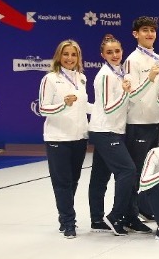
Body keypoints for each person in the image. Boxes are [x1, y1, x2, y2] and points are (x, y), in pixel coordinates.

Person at [38, 39, 90, 238]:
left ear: (78, 58)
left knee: (73, 181)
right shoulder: (50, 79)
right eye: (66, 54)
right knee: (62, 182)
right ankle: (68, 221)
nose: (69, 58)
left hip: (79, 137)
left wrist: (105, 111)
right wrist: (62, 105)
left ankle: (65, 217)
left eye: (73, 54)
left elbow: (84, 107)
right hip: (57, 137)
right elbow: (43, 108)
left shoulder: (81, 78)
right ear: (59, 56)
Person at [87, 35, 137, 236]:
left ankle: (97, 219)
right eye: (109, 52)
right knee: (127, 171)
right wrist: (125, 93)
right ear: (102, 55)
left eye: (117, 51)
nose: (115, 55)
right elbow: (109, 107)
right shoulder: (106, 75)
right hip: (105, 130)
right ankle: (115, 216)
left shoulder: (119, 73)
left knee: (100, 175)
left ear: (122, 51)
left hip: (110, 129)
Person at [123, 16, 159, 233]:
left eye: (152, 30)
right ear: (135, 34)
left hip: (156, 121)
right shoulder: (132, 60)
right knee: (136, 171)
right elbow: (132, 96)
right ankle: (130, 215)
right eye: (144, 30)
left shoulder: (157, 58)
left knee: (151, 170)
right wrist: (150, 78)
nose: (149, 34)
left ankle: (145, 208)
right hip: (138, 122)